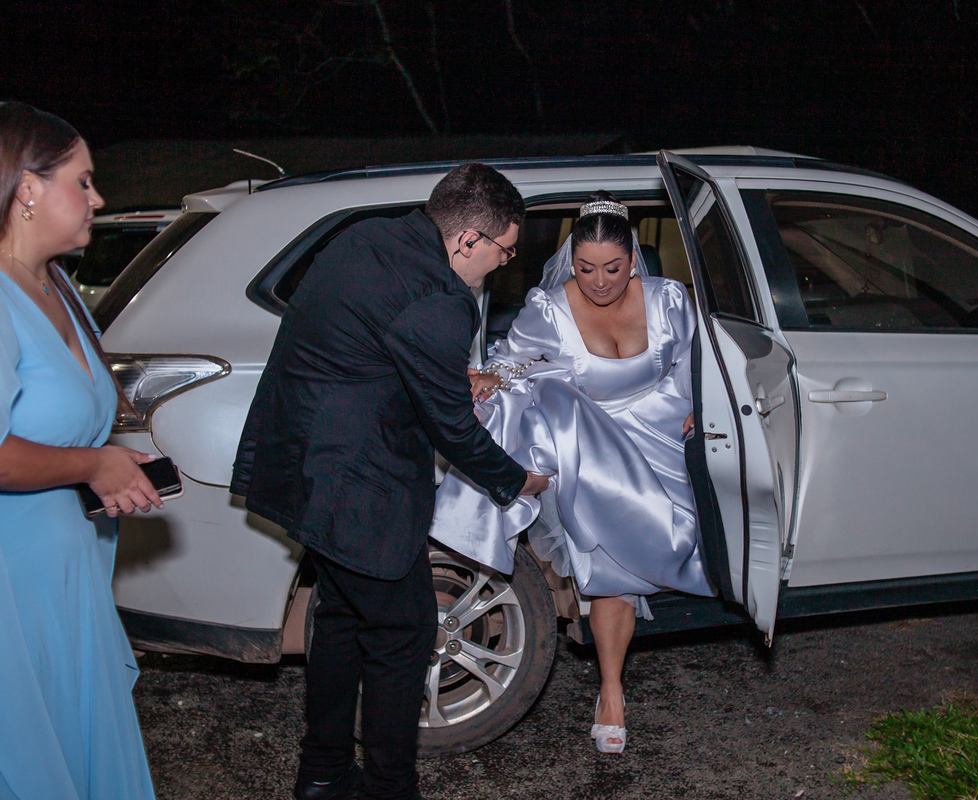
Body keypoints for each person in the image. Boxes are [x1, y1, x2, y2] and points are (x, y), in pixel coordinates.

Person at [231, 162, 549, 800]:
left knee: (342, 619)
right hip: (357, 487)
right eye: (504, 250)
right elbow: (452, 429)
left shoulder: (366, 239)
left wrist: (443, 376)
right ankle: (389, 786)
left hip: (301, 464)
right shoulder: (441, 299)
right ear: (468, 239)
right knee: (405, 630)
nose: (502, 264)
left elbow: (367, 343)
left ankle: (322, 774)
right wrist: (516, 480)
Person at [430, 191, 714, 755]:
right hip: (592, 445)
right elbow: (519, 361)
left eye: (612, 268)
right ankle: (611, 690)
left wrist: (701, 407)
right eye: (585, 268)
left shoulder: (669, 300)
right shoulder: (551, 308)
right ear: (571, 261)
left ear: (633, 258)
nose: (599, 281)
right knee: (608, 560)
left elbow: (696, 360)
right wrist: (488, 378)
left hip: (662, 437)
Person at [0, 102, 159, 799]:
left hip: (68, 573)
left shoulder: (57, 284)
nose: (97, 199)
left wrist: (111, 468)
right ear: (27, 188)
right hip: (13, 582)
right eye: (83, 182)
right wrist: (94, 465)